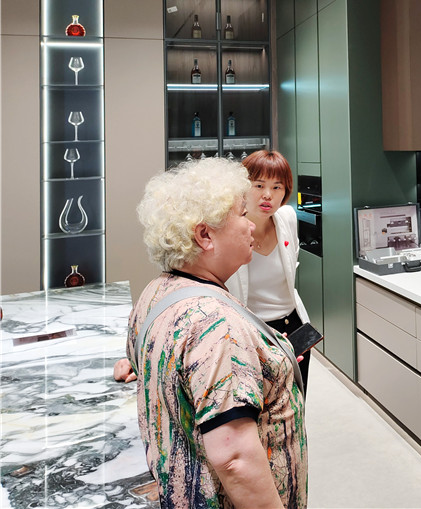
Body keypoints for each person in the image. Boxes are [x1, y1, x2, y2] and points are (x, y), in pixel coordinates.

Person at [126, 158, 307, 508]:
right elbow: (235, 460)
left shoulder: (155, 293)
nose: (251, 225)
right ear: (205, 236)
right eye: (242, 214)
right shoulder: (217, 326)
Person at [225, 150, 313, 389]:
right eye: (259, 185)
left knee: (297, 399)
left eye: (277, 187)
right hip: (253, 331)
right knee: (262, 405)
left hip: (294, 326)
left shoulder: (288, 218)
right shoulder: (229, 230)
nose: (268, 195)